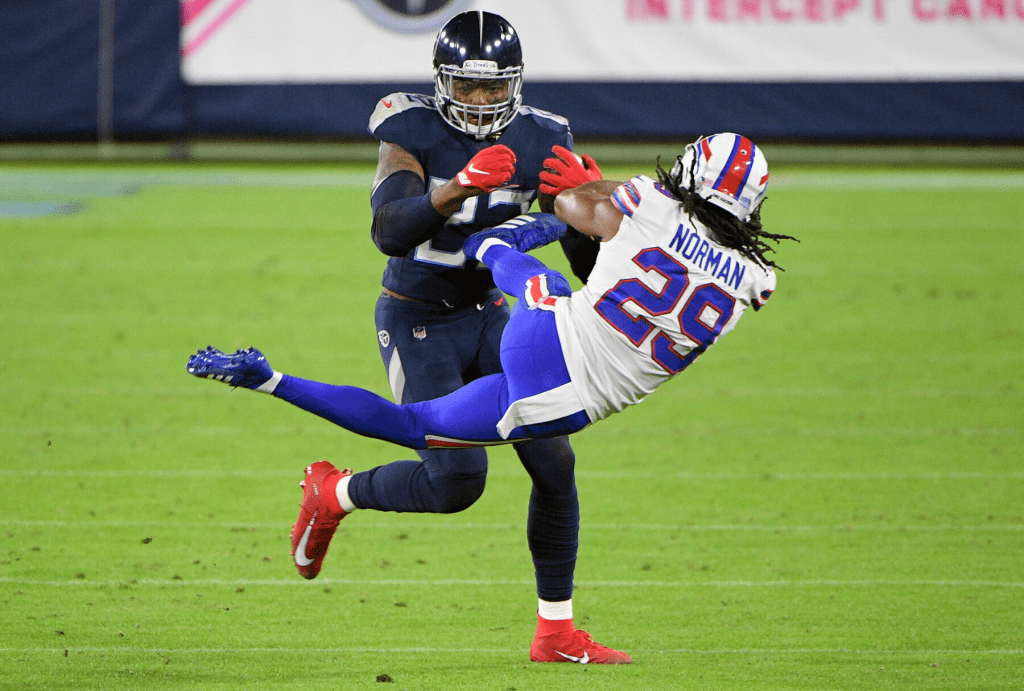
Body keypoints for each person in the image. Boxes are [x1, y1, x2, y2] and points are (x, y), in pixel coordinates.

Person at [188, 132, 798, 663]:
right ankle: (483, 250)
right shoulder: (757, 280)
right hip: (565, 394)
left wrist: (590, 188)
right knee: (420, 423)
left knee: (536, 299)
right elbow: (645, 251)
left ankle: (488, 247)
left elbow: (583, 208)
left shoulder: (650, 204)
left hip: (546, 352)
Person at [323, 9, 625, 663]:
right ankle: (336, 493)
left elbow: (588, 269)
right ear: (442, 82)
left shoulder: (545, 136)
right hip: (417, 314)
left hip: (489, 312)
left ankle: (556, 633)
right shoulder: (409, 129)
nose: (482, 101)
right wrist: (456, 188)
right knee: (456, 483)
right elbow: (389, 231)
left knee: (554, 461)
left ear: (516, 84)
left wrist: (585, 210)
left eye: (494, 87)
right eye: (468, 86)